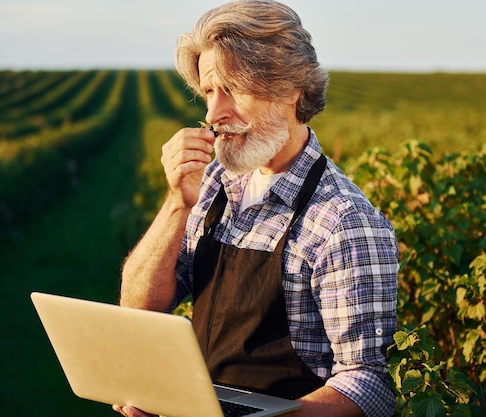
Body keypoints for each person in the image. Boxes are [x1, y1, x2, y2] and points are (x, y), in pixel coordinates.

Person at [113, 1, 399, 416]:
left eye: (233, 88)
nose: (213, 114)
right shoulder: (216, 184)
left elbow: (368, 384)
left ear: (291, 87)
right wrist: (177, 202)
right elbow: (139, 306)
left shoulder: (343, 220)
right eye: (209, 91)